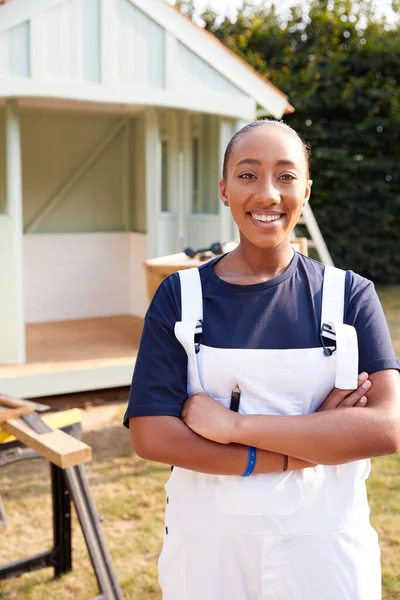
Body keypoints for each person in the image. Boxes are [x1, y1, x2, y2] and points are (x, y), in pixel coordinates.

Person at [124, 120, 400, 600]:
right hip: (208, 553)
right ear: (225, 189)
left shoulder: (349, 295)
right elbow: (152, 435)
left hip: (325, 550)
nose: (268, 193)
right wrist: (308, 443)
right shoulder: (180, 296)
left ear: (306, 191)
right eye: (248, 175)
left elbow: (385, 429)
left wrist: (233, 428)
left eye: (286, 176)